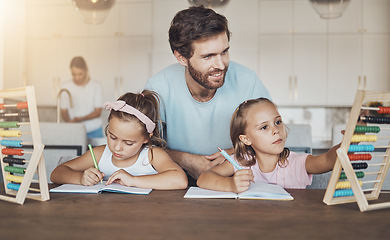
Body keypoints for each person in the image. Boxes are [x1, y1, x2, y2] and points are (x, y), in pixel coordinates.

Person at [144, 6, 271, 182]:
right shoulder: (158, 88)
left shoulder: (248, 81)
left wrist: (236, 152)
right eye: (208, 56)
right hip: (174, 183)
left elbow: (274, 135)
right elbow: (140, 146)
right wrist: (187, 161)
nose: (220, 64)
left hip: (237, 182)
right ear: (181, 58)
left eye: (224, 52)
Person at [51, 90, 188, 190]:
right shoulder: (99, 154)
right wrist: (80, 178)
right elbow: (57, 173)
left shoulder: (152, 156)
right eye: (112, 137)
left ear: (146, 138)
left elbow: (180, 180)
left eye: (128, 143)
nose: (117, 148)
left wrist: (133, 180)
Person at [197, 98, 340, 192]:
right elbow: (203, 179)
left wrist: (347, 143)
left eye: (277, 122)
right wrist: (230, 185)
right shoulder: (242, 161)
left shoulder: (297, 163)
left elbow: (328, 160)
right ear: (246, 139)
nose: (275, 130)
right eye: (264, 127)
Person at [60, 56, 103, 139]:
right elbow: (64, 111)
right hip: (75, 131)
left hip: (94, 130)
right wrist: (70, 123)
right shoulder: (65, 87)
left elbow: (97, 112)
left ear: (86, 70)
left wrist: (80, 119)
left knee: (95, 152)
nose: (77, 78)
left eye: (80, 74)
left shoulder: (96, 86)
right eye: (74, 74)